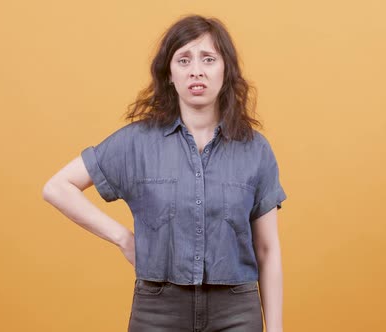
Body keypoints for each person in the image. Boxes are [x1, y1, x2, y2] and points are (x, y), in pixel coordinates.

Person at [42, 14, 287, 332]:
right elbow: (57, 187)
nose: (196, 70)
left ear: (225, 70)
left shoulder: (255, 149)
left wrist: (277, 328)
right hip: (158, 312)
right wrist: (122, 238)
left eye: (208, 59)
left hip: (236, 312)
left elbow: (267, 249)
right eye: (183, 59)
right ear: (169, 74)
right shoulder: (136, 143)